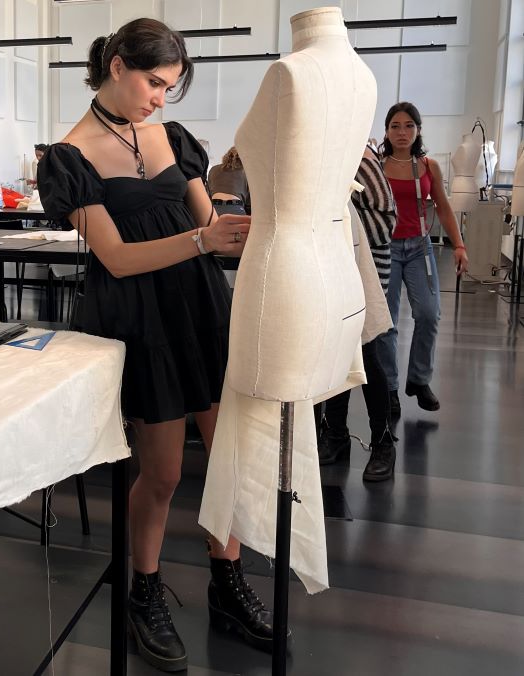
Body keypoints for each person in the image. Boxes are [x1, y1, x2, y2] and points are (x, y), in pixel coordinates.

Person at [38, 18, 271, 672]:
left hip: (200, 308)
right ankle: (144, 587)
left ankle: (226, 583)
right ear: (117, 65)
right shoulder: (70, 156)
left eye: (170, 87)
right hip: (141, 317)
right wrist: (205, 241)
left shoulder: (172, 137)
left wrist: (262, 226)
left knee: (227, 457)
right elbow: (113, 258)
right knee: (163, 473)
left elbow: (210, 222)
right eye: (153, 82)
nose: (160, 98)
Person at [379, 102, 468, 415]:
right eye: (395, 126)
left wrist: (459, 245)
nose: (402, 132)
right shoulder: (376, 165)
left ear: (417, 130)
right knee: (385, 322)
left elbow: (442, 206)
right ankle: (389, 387)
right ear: (387, 131)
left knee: (429, 314)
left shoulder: (428, 166)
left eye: (409, 126)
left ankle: (418, 379)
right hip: (385, 247)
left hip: (419, 247)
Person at [317, 141, 397, 481]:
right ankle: (336, 435)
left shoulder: (360, 158)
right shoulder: (320, 152)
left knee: (366, 352)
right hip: (328, 258)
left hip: (361, 263)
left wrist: (349, 225)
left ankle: (383, 442)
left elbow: (387, 221)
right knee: (334, 355)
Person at [207, 146, 250, 213]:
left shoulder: (213, 169)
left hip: (213, 208)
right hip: (235, 207)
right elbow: (249, 204)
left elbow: (208, 194)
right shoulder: (245, 172)